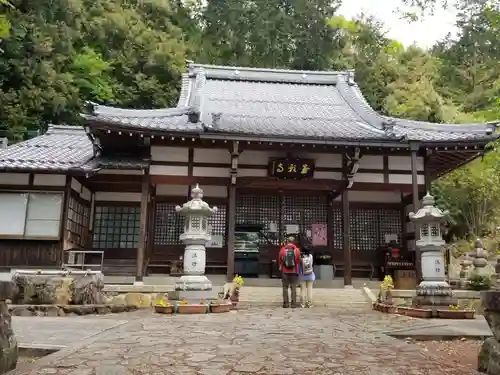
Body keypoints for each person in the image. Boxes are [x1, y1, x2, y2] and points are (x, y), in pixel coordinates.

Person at [278, 236, 301, 308]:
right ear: (294, 242)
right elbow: (298, 261)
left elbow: (280, 260)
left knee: (285, 287)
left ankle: (286, 303)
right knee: (293, 287)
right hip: (294, 271)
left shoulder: (283, 250)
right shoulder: (297, 250)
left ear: (287, 241)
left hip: (285, 271)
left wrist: (281, 266)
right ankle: (293, 304)